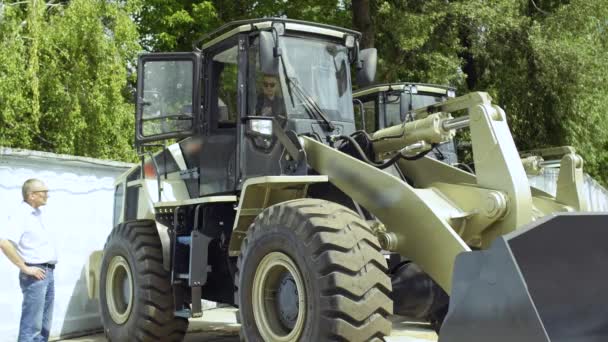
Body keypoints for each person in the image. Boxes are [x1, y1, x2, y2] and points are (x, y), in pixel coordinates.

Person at [0, 179, 57, 342]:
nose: (47, 195)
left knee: (44, 325)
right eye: (44, 192)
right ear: (31, 195)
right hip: (35, 274)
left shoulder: (38, 214)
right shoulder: (21, 214)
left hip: (47, 272)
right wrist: (25, 268)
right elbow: (4, 243)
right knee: (31, 326)